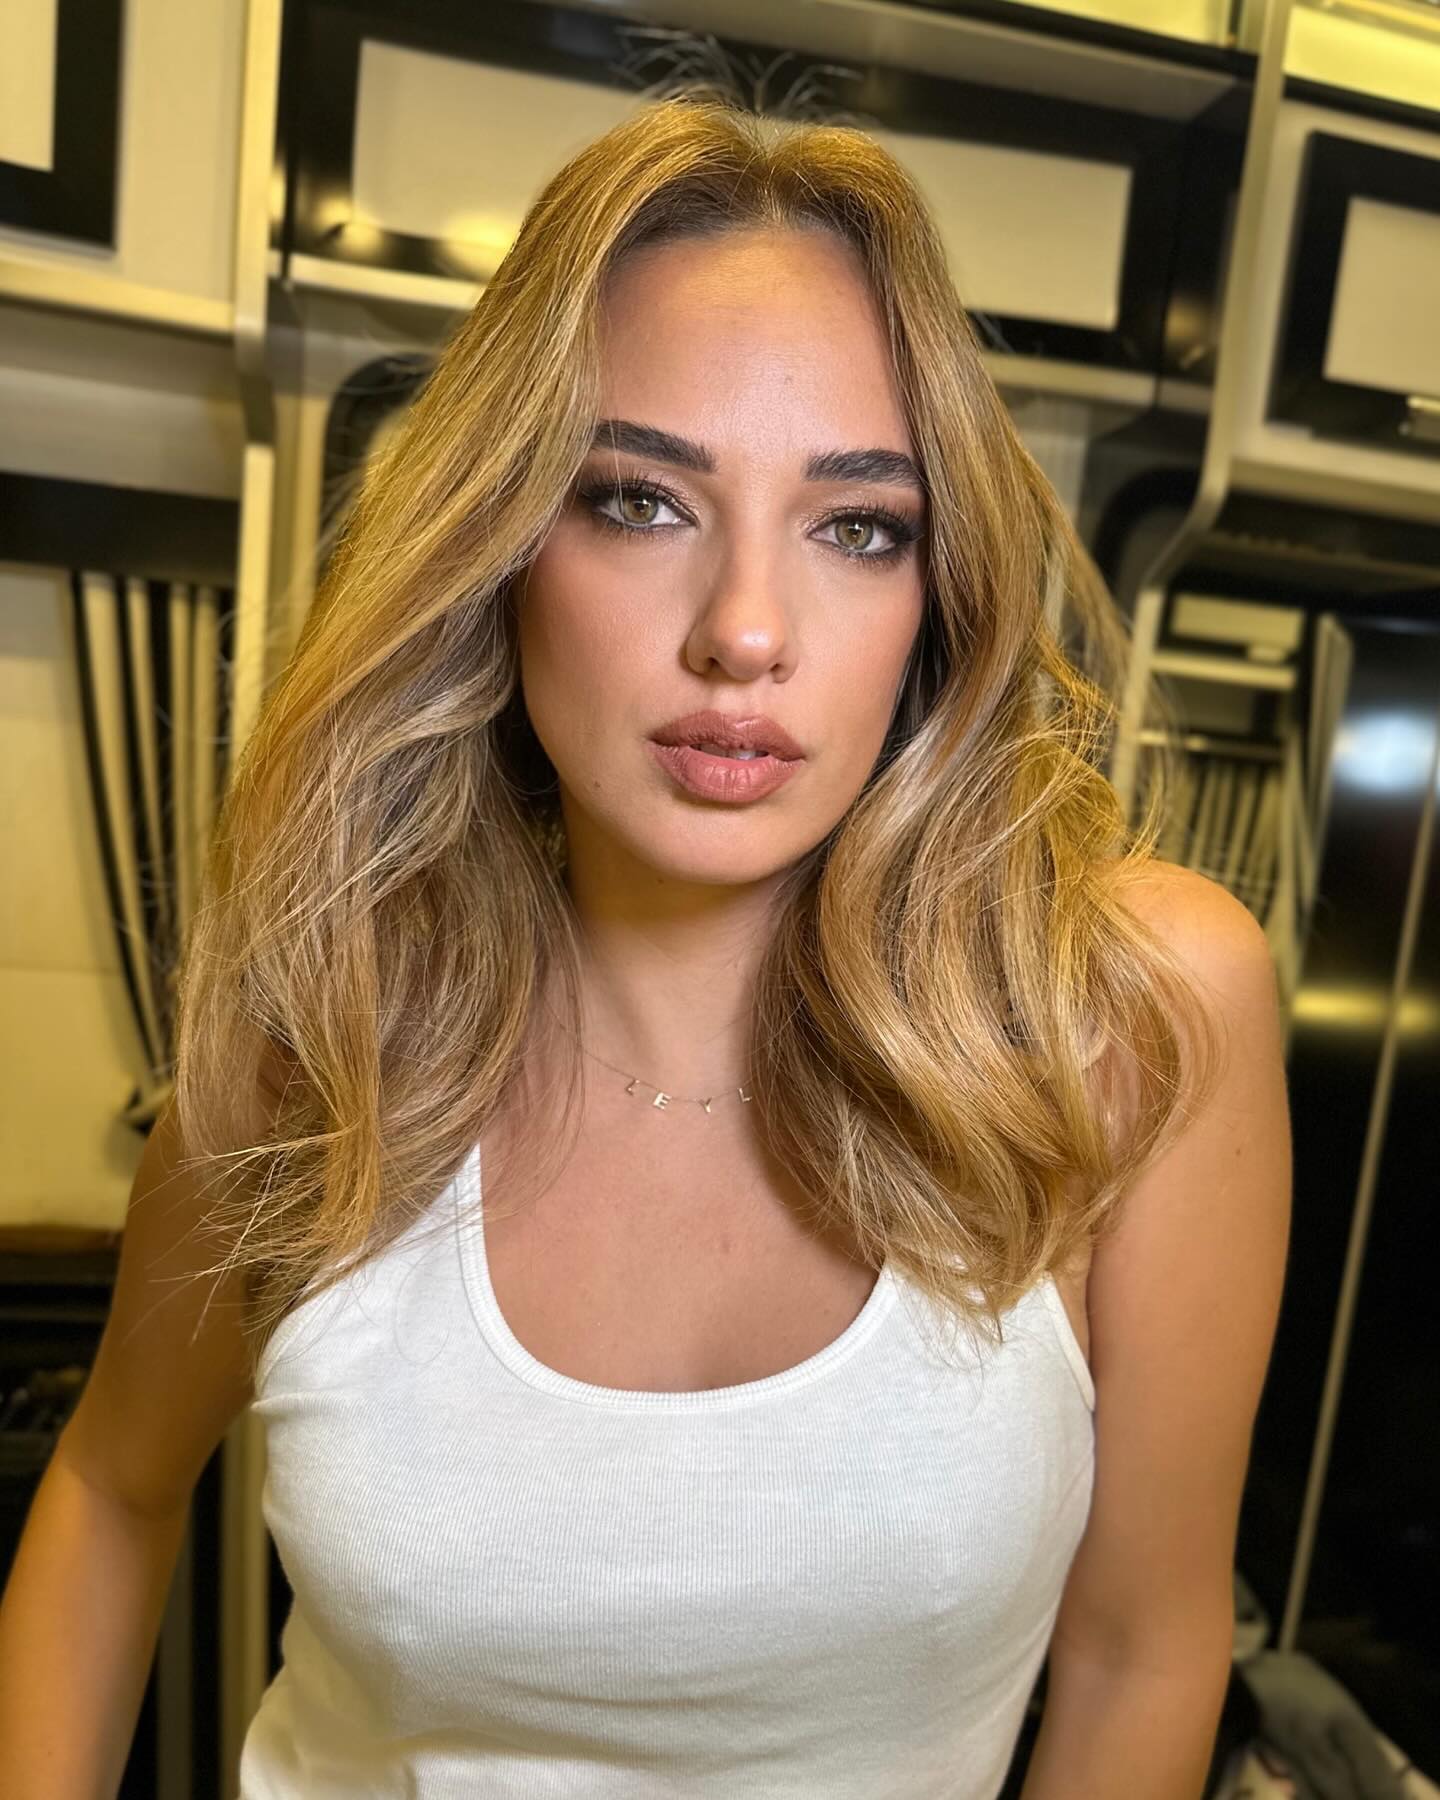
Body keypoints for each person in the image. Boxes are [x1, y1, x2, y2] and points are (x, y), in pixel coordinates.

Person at [0, 95, 1292, 1799]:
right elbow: (109, 1487)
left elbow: (1142, 1652)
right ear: (502, 543)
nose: (745, 631)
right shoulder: (323, 1030)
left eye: (858, 525)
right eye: (638, 501)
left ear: (936, 595)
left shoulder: (1124, 1013)